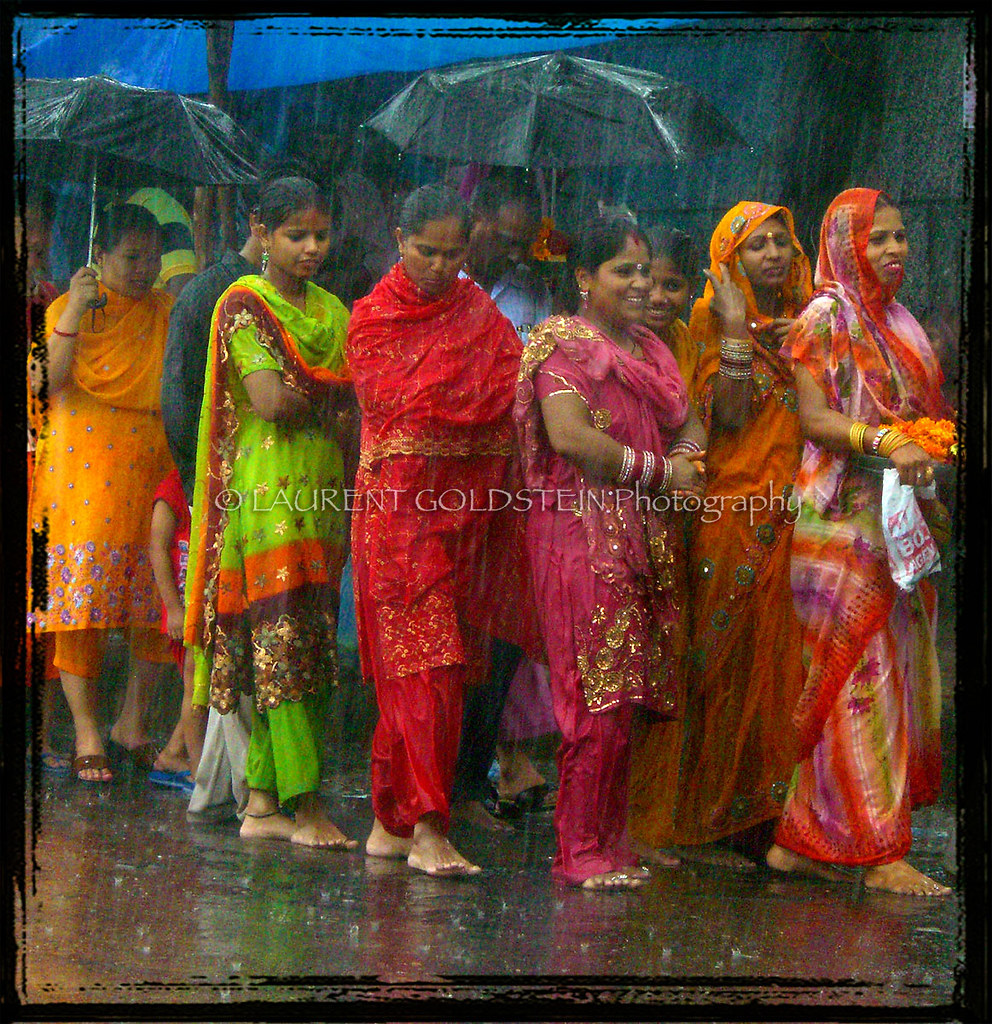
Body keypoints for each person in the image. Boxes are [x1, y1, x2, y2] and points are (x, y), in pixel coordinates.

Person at [347, 183, 540, 877]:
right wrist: (477, 399)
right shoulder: (371, 319)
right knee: (420, 672)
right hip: (396, 525)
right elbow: (404, 405)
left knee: (434, 676)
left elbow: (513, 389)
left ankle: (389, 822)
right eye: (426, 250)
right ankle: (428, 827)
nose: (437, 265)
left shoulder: (478, 310)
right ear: (398, 240)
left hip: (462, 522)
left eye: (452, 253)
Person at [766, 188, 952, 897]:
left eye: (901, 237)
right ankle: (874, 852)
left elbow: (920, 417)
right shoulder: (826, 316)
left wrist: (927, 449)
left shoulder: (900, 320)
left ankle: (802, 840)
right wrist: (883, 438)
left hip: (894, 516)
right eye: (879, 239)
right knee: (856, 681)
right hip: (838, 520)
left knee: (887, 677)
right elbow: (814, 419)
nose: (895, 250)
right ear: (846, 244)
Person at [514, 214, 707, 889]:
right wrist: (661, 474)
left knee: (626, 694)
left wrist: (685, 456)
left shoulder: (651, 350)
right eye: (623, 271)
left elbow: (688, 420)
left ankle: (609, 841)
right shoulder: (561, 345)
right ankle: (578, 851)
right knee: (592, 694)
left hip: (642, 538)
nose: (639, 284)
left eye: (645, 272)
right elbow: (570, 438)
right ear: (583, 278)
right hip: (578, 535)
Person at [628, 202, 812, 869]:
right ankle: (685, 819)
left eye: (781, 244)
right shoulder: (706, 324)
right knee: (710, 671)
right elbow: (727, 415)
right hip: (727, 522)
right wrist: (736, 327)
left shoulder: (807, 326)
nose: (772, 255)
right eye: (756, 245)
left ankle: (753, 824)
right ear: (728, 259)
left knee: (772, 678)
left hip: (789, 522)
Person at [183, 176, 355, 848]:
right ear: (261, 230)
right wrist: (331, 400)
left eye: (320, 234)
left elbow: (330, 395)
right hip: (266, 495)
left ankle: (259, 803)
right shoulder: (243, 305)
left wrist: (321, 399)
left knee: (304, 641)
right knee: (281, 645)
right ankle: (304, 804)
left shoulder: (335, 312)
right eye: (296, 235)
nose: (312, 248)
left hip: (319, 494)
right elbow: (269, 400)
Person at [29, 203, 176, 783]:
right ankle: (87, 731)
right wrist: (73, 312)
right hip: (82, 471)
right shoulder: (71, 307)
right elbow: (45, 382)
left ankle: (131, 724)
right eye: (131, 258)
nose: (143, 270)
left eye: (152, 258)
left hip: (151, 466)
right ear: (100, 257)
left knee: (155, 601)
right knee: (81, 603)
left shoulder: (167, 310)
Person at [449, 173, 554, 829]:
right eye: (506, 236)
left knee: (502, 642)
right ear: (476, 219)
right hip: (449, 487)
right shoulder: (437, 285)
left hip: (516, 486)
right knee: (447, 640)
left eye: (523, 240)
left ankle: (469, 780)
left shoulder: (535, 292)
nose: (512, 250)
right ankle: (440, 787)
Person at [147, 466, 204, 790]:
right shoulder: (173, 486)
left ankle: (171, 754)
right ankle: (190, 767)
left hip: (202, 605)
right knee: (195, 686)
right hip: (183, 608)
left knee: (200, 686)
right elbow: (158, 547)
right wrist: (173, 610)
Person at [643, 224, 702, 383]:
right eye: (648, 283)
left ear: (692, 287)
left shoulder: (683, 340)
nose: (657, 298)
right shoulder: (612, 347)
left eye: (672, 286)